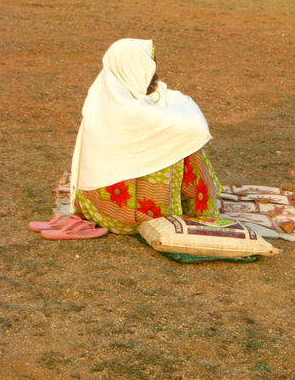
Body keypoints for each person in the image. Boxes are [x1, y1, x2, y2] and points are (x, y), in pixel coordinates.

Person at [69, 38, 221, 234]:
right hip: (156, 217)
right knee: (184, 141)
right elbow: (196, 127)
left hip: (102, 214)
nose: (155, 74)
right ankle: (202, 209)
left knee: (178, 136)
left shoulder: (97, 101)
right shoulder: (140, 113)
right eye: (148, 66)